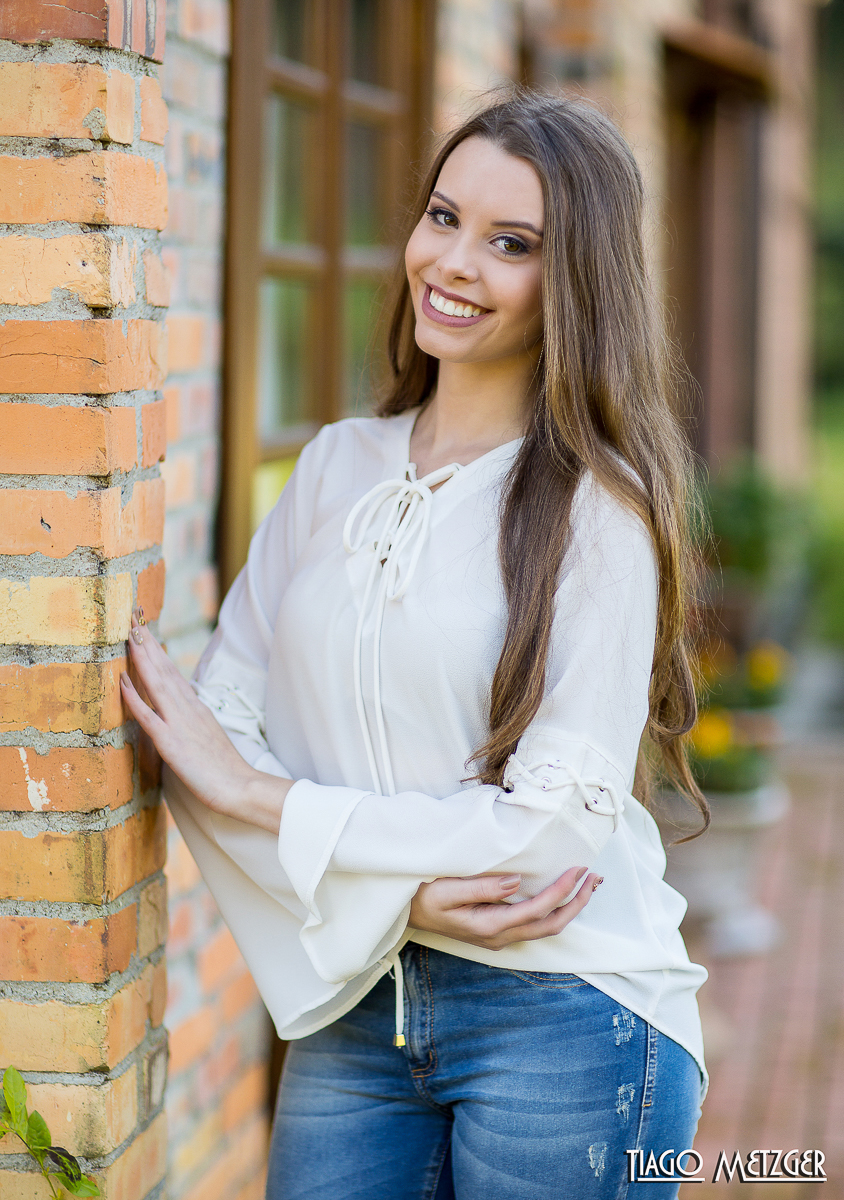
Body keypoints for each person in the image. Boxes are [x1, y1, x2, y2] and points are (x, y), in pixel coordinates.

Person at [122, 91, 709, 1199]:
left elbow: (546, 841)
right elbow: (209, 735)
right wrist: (398, 899)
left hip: (567, 1016)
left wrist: (267, 800)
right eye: (443, 216)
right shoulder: (334, 467)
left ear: (576, 282)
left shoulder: (601, 513)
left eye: (511, 244)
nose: (453, 262)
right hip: (360, 1004)